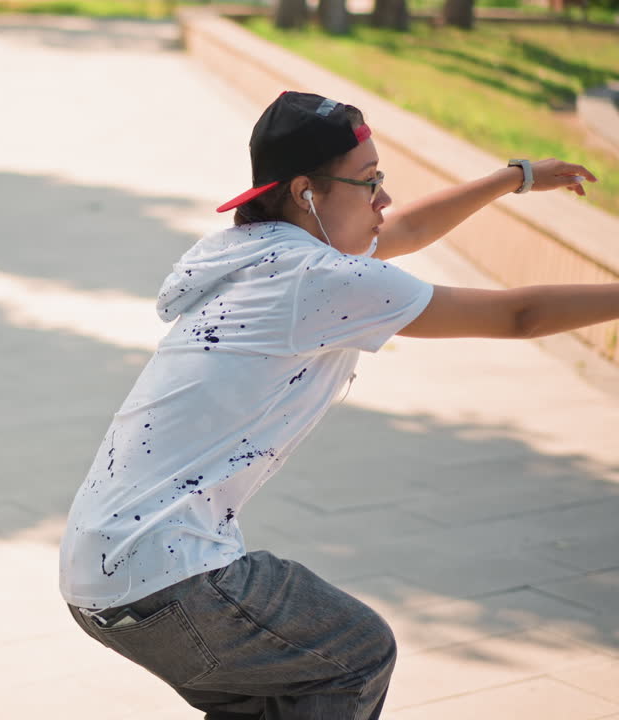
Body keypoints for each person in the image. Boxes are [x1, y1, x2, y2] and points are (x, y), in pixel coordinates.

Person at [57, 91, 602, 720]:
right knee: (354, 652)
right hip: (167, 570)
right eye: (369, 184)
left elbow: (406, 231)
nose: (383, 201)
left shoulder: (255, 248)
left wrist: (516, 177)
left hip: (106, 566)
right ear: (304, 192)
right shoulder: (316, 281)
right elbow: (519, 315)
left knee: (277, 698)